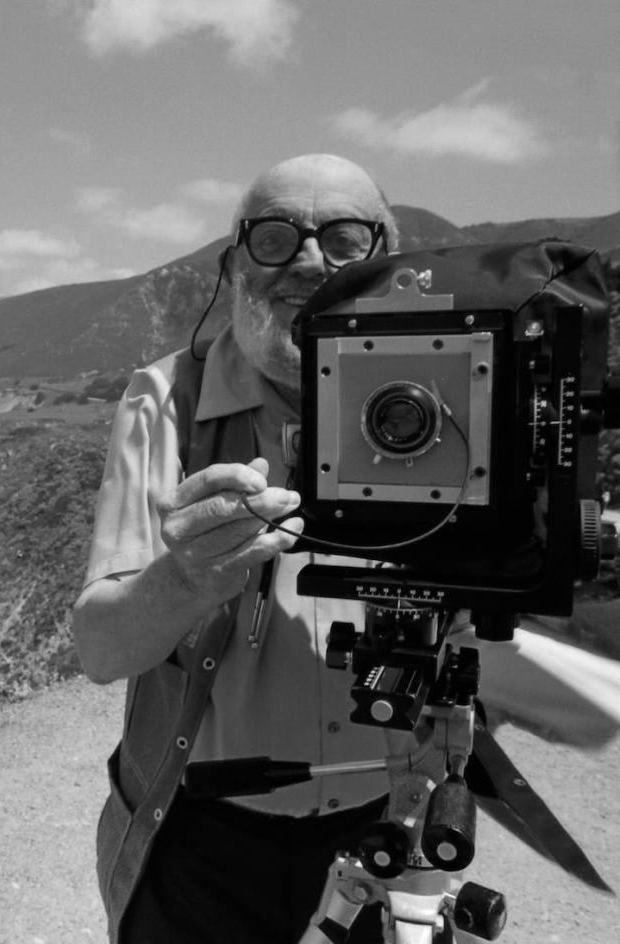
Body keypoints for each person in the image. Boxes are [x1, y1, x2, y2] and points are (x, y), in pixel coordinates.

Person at [72, 153, 620, 943]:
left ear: (388, 259)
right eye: (274, 237)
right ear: (232, 266)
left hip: (385, 836)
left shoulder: (475, 394)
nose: (305, 261)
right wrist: (185, 578)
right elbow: (100, 646)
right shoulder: (168, 401)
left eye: (343, 238)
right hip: (201, 843)